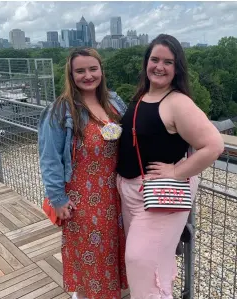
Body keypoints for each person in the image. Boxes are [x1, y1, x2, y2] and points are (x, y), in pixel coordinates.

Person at [116, 34, 224, 298]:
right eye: (154, 59)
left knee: (140, 261)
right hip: (132, 191)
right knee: (153, 264)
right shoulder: (142, 95)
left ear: (177, 68)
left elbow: (214, 146)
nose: (159, 67)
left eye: (168, 62)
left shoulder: (177, 102)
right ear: (146, 62)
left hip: (159, 192)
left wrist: (176, 172)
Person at [38, 48, 128, 299]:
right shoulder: (60, 111)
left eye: (93, 69)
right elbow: (50, 159)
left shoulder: (114, 102)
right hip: (82, 201)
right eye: (80, 71)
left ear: (101, 70)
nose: (88, 75)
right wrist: (57, 199)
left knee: (111, 252)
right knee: (91, 257)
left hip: (116, 195)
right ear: (71, 74)